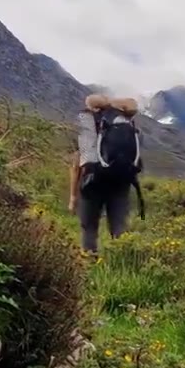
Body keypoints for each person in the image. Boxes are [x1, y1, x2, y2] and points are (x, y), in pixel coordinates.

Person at [69, 94, 144, 254]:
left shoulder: (87, 121)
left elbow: (77, 164)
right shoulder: (123, 119)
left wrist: (73, 196)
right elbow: (132, 105)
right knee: (119, 225)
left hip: (92, 182)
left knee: (89, 226)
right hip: (120, 181)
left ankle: (89, 259)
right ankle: (123, 261)